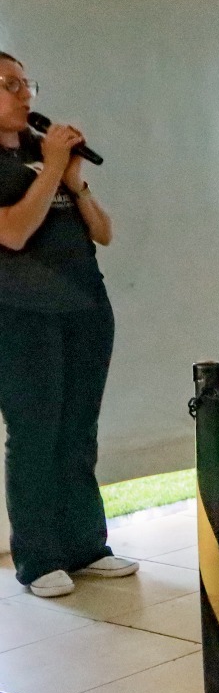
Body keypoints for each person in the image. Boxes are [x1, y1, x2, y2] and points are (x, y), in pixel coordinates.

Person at [0, 52, 138, 598]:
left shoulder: (44, 151)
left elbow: (103, 232)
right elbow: (13, 232)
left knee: (79, 430)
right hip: (20, 313)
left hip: (85, 307)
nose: (24, 94)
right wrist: (54, 167)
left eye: (26, 83)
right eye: (10, 85)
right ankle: (39, 559)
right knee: (36, 433)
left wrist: (75, 180)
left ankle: (86, 546)